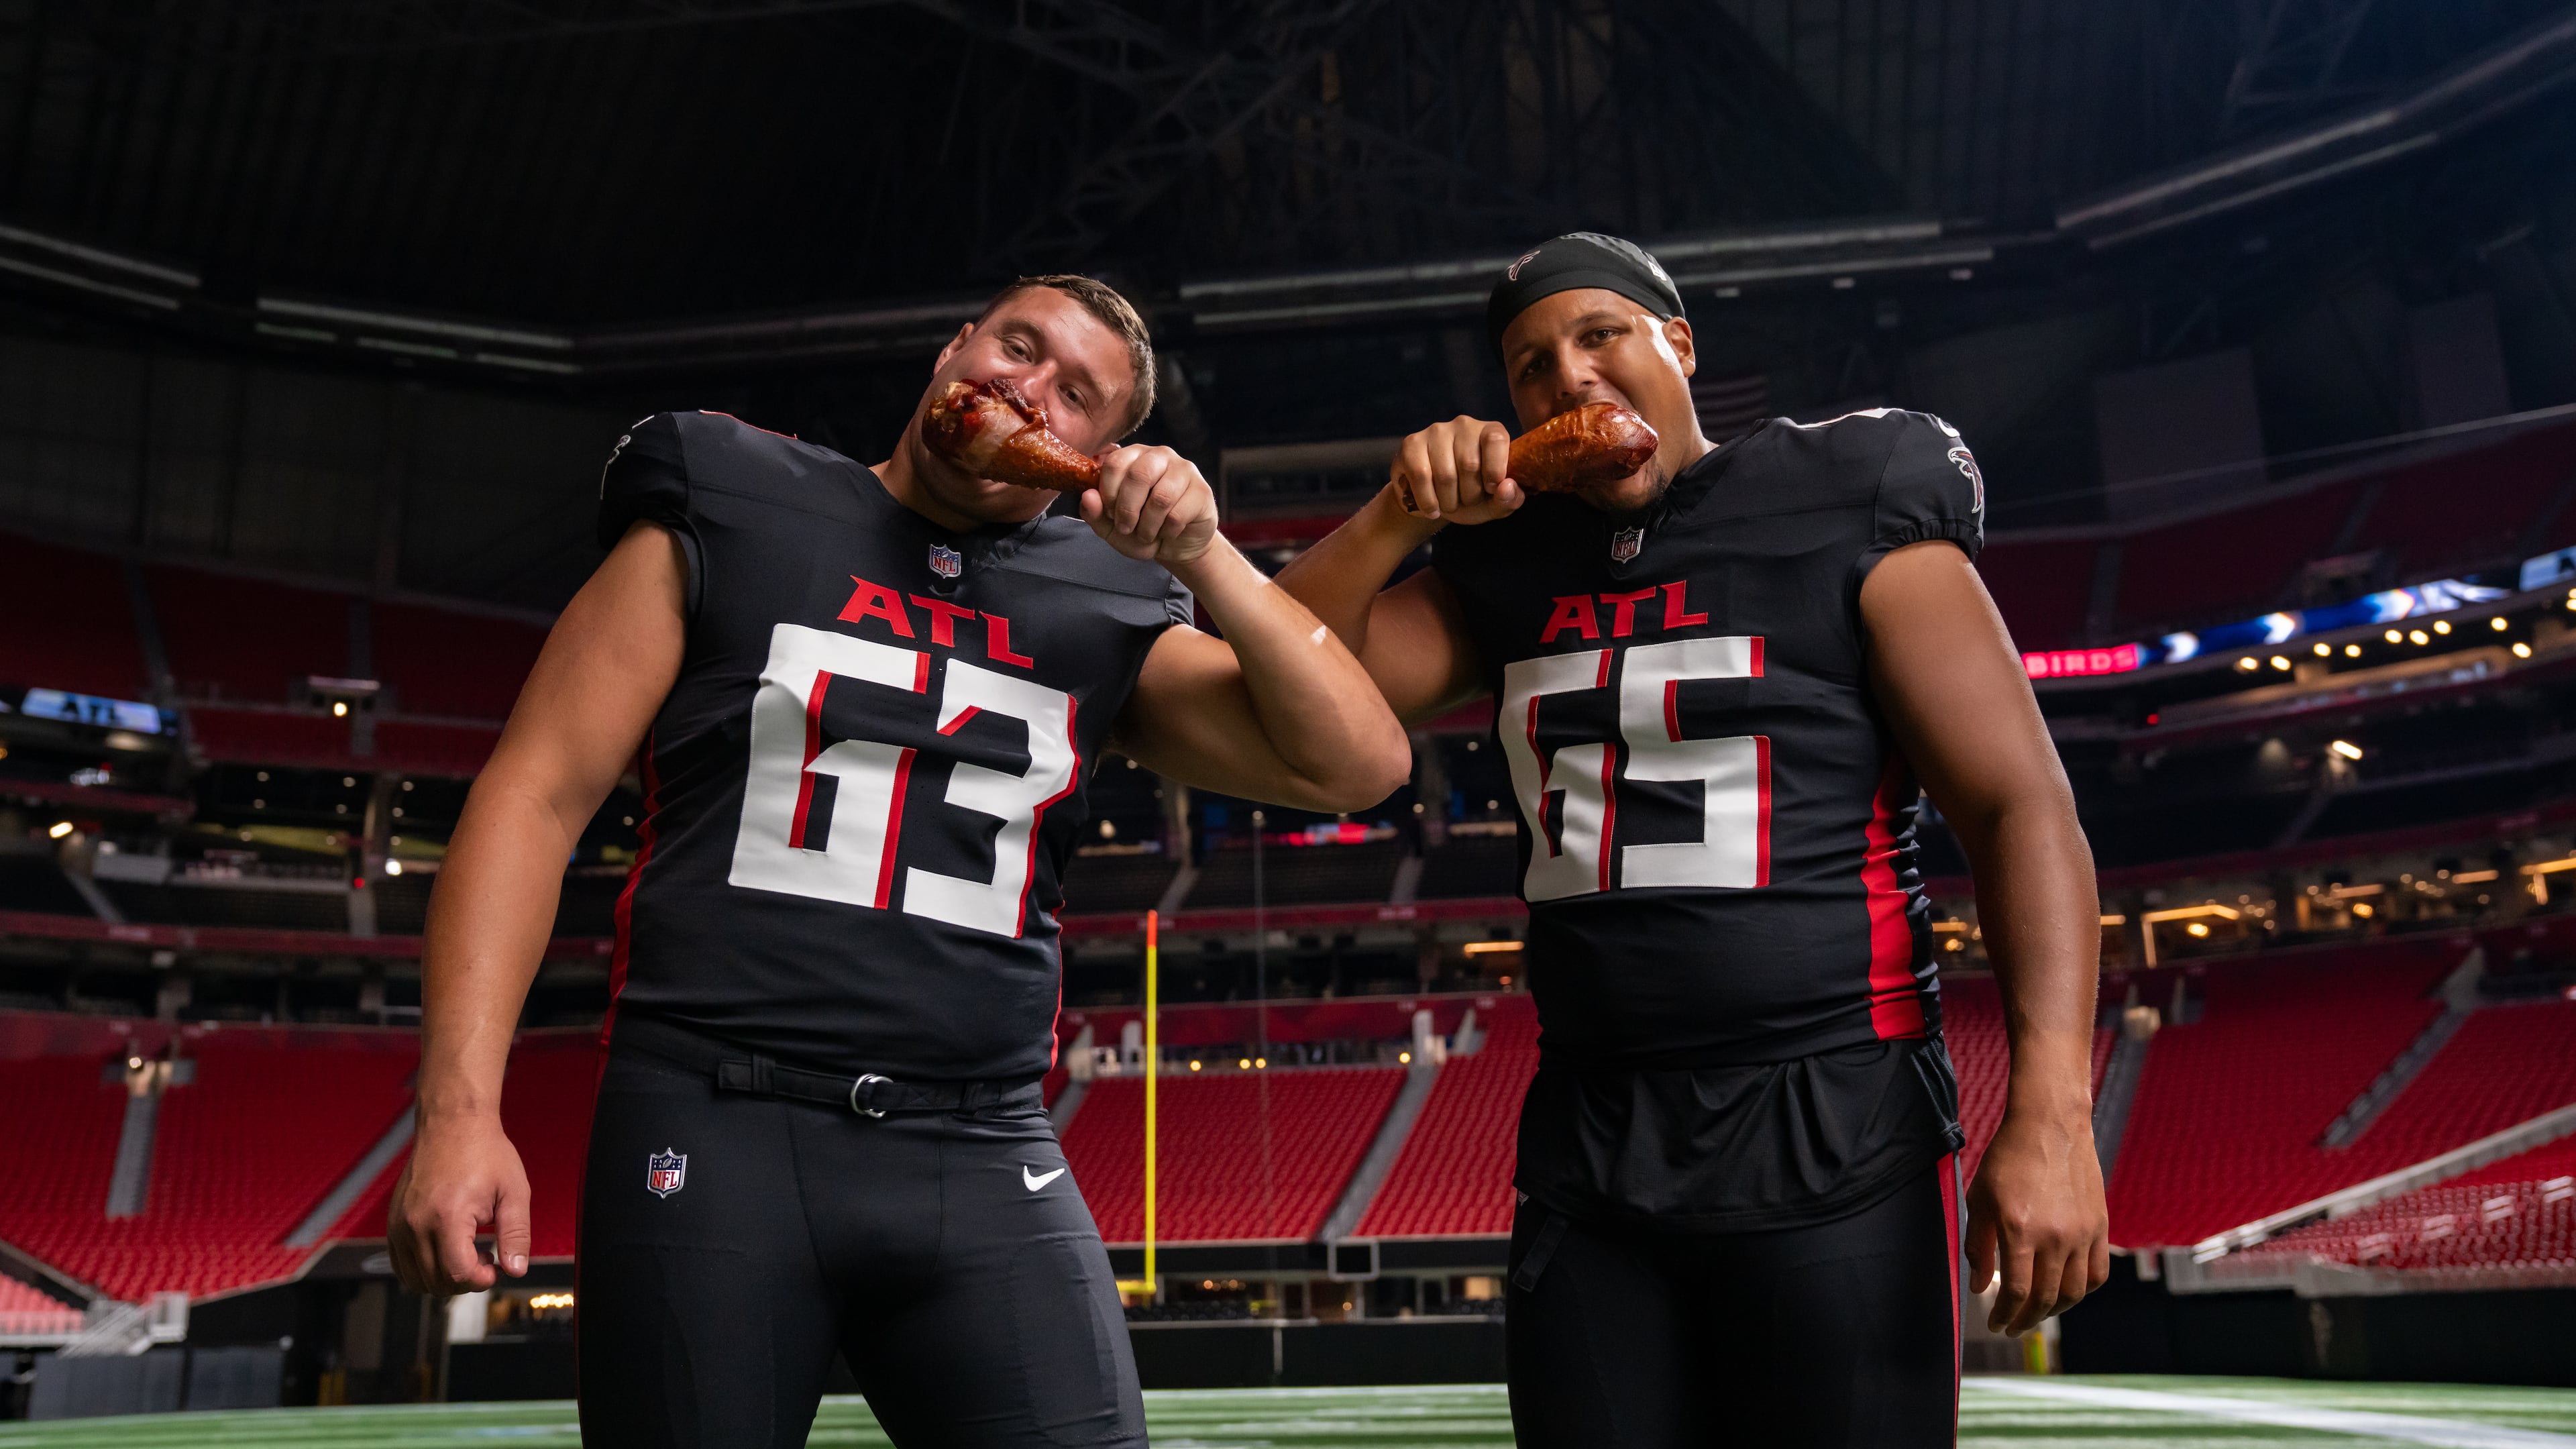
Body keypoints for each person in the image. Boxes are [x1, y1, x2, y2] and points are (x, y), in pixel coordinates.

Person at [386, 274, 1411, 1448]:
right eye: (1017, 347)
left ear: (1100, 456)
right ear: (953, 349)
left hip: (980, 1146)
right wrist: (460, 1110)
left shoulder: (1106, 603)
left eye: (1075, 396)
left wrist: (1209, 552)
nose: (1026, 390)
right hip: (716, 1120)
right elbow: (535, 794)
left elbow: (1360, 764)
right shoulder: (735, 500)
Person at [1274, 233, 2109, 1446]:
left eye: (1598, 334)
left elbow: (2019, 807)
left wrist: (2053, 1114)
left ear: (1679, 344)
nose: (1566, 376)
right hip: (1594, 1143)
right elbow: (1267, 689)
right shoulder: (1502, 563)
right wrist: (1394, 518)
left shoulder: (1851, 493)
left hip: (1834, 1124)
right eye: (1529, 366)